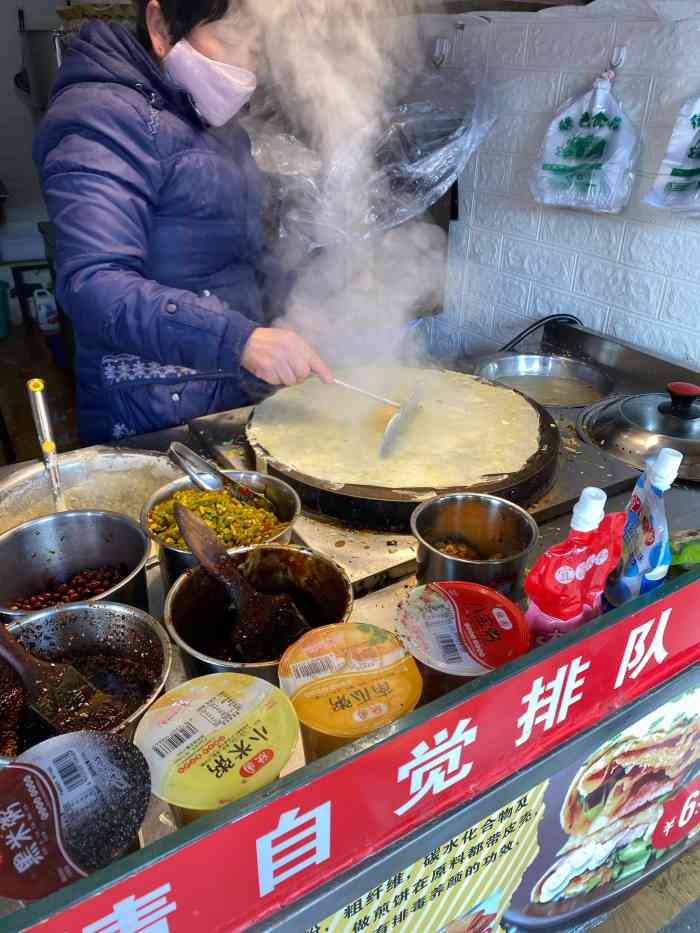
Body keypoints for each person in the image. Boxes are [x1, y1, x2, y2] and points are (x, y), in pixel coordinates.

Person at [34, 0, 332, 445]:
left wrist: (289, 304)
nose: (245, 65)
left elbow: (236, 251)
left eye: (257, 46)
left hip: (222, 397)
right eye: (231, 38)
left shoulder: (212, 119)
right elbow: (94, 284)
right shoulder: (100, 115)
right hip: (152, 414)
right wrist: (239, 339)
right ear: (159, 25)